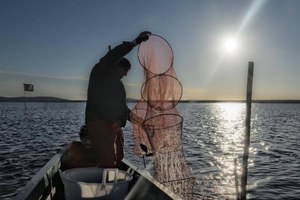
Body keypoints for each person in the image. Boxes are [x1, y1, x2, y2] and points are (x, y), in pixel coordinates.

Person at [85, 31, 151, 168]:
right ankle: (103, 183)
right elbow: (112, 55)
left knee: (119, 156)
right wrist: (135, 42)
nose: (125, 74)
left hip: (113, 125)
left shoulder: (119, 86)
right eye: (125, 70)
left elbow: (122, 109)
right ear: (116, 65)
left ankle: (112, 175)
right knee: (107, 160)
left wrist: (140, 122)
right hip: (98, 123)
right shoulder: (99, 72)